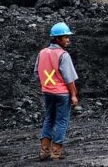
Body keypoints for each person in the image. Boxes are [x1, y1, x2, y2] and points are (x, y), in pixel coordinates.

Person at [34, 22, 79, 161]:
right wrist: (73, 95)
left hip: (47, 92)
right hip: (61, 94)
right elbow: (69, 78)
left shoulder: (42, 53)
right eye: (65, 37)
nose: (68, 40)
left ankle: (44, 150)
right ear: (57, 38)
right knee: (61, 121)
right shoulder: (63, 55)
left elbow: (37, 73)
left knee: (49, 119)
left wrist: (47, 86)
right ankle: (56, 152)